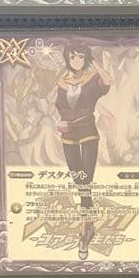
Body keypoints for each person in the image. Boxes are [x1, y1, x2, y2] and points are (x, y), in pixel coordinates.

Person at [49, 44, 112, 259]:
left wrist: (94, 61)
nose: (76, 60)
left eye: (80, 57)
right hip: (68, 133)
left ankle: (85, 232)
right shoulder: (62, 82)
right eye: (72, 57)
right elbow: (59, 107)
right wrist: (60, 122)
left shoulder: (92, 79)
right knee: (79, 180)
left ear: (86, 59)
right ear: (67, 59)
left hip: (88, 131)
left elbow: (108, 82)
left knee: (86, 181)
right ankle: (90, 224)